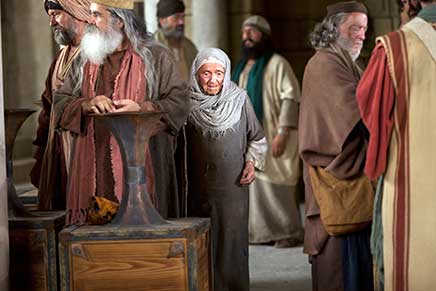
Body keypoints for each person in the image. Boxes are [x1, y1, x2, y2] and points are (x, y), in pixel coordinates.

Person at [54, 0, 190, 224]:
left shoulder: (156, 57)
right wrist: (86, 104)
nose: (91, 22)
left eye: (97, 15)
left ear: (119, 21)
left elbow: (179, 102)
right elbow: (60, 102)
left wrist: (143, 109)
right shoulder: (85, 57)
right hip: (94, 168)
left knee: (141, 243)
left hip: (144, 166)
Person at [357, 4, 436, 291]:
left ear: (409, 3)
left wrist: (375, 162)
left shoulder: (394, 49)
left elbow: (371, 110)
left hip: (410, 181)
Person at [298, 2, 374, 290]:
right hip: (333, 177)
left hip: (348, 178)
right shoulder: (324, 64)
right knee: (338, 269)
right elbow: (357, 110)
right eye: (355, 27)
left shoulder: (346, 61)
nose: (361, 35)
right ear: (333, 28)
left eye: (365, 29)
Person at [186, 48, 267, 291]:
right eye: (206, 74)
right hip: (197, 189)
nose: (213, 80)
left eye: (219, 73)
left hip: (233, 190)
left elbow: (257, 138)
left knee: (232, 243)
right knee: (201, 241)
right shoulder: (186, 102)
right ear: (195, 74)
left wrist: (251, 163)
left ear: (227, 73)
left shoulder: (239, 99)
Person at [232, 15, 303, 248]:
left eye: (252, 32)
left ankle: (288, 231)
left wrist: (283, 132)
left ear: (264, 36)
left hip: (273, 134)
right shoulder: (241, 68)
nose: (247, 37)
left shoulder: (277, 64)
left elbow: (291, 98)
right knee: (255, 188)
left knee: (275, 185)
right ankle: (261, 234)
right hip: (249, 138)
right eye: (244, 32)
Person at [32, 0, 93, 211]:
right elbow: (48, 107)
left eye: (56, 14)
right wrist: (40, 154)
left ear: (77, 13)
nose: (52, 22)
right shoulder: (59, 58)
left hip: (85, 147)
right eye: (50, 15)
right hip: (57, 149)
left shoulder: (97, 55)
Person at [154, 0, 197, 81]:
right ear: (162, 21)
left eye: (182, 17)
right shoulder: (152, 49)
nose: (181, 22)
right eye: (176, 18)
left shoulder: (189, 47)